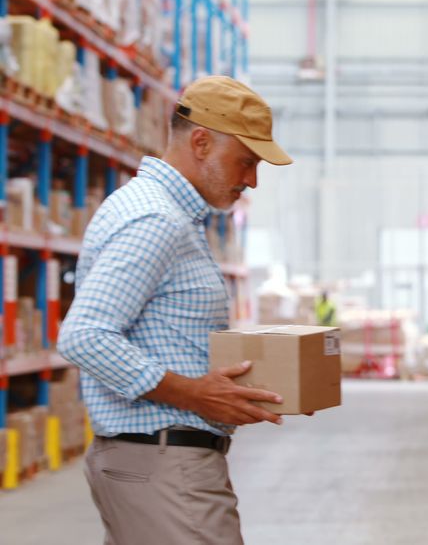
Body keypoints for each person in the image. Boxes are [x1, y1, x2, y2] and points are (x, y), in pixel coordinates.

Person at [58, 75, 293, 545]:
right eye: (245, 162)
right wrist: (192, 393)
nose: (252, 180)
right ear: (201, 142)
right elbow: (84, 334)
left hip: (157, 467)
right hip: (166, 469)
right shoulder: (156, 220)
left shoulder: (167, 214)